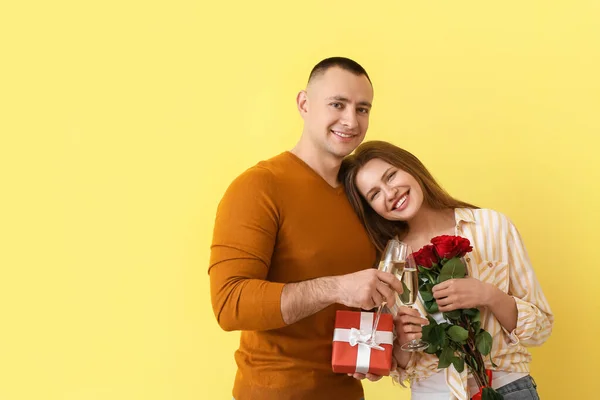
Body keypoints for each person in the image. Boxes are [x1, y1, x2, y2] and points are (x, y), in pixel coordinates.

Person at [208, 58, 404, 400]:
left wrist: (379, 346)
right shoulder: (259, 186)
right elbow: (229, 304)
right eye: (337, 104)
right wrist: (335, 288)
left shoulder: (363, 196)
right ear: (304, 104)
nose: (351, 120)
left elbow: (364, 299)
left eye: (362, 109)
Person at [339, 141, 553, 400]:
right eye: (374, 194)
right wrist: (404, 343)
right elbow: (399, 367)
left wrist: (489, 295)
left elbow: (541, 328)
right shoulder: (385, 263)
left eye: (391, 175)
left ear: (411, 167)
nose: (390, 192)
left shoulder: (491, 226)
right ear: (370, 208)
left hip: (507, 389)